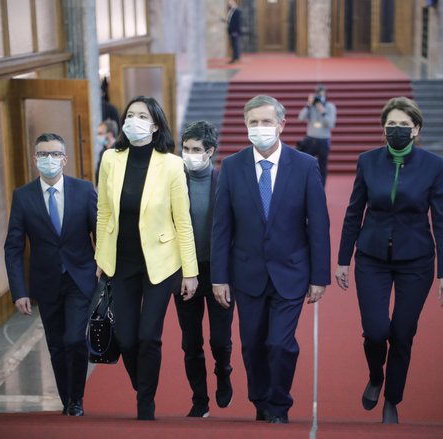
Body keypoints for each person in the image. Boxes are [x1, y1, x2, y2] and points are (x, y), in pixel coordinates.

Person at [335, 96, 443, 424]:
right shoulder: (368, 161)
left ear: (416, 129)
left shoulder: (433, 166)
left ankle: (392, 398)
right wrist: (343, 259)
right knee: (375, 331)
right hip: (372, 256)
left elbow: (442, 221)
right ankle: (376, 376)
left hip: (416, 259)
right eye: (392, 125)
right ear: (383, 129)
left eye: (404, 125)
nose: (397, 130)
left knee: (402, 333)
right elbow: (353, 212)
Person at [211, 95, 331, 424]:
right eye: (253, 122)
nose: (260, 128)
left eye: (266, 122)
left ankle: (280, 404)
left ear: (281, 124)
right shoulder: (232, 167)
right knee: (251, 346)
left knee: (280, 344)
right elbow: (222, 227)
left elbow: (318, 224)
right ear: (245, 125)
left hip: (290, 272)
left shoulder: (304, 165)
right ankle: (260, 401)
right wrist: (219, 276)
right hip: (247, 273)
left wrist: (319, 276)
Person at [95, 95, 199, 421]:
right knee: (126, 338)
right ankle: (142, 386)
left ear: (155, 125)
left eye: (142, 115)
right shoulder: (111, 159)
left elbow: (183, 220)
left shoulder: (171, 164)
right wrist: (100, 255)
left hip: (161, 263)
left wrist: (190, 271)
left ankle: (145, 404)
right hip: (120, 262)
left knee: (148, 336)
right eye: (130, 114)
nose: (134, 119)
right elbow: (103, 212)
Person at [4, 133, 98, 417]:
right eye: (43, 155)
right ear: (35, 160)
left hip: (79, 278)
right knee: (56, 345)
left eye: (54, 154)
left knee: (74, 339)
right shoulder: (23, 196)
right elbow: (13, 246)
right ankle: (67, 400)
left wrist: (102, 264)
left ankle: (78, 399)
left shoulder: (84, 190)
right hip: (46, 282)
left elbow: (101, 231)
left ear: (64, 159)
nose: (49, 159)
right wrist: (19, 290)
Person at [175, 121, 234, 418]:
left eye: (195, 149)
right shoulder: (174, 181)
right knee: (191, 342)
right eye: (185, 148)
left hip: (219, 273)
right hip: (185, 272)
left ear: (210, 151)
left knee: (220, 340)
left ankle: (224, 371)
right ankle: (200, 400)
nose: (189, 154)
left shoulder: (225, 181)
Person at [297, 85, 337, 187]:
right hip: (310, 140)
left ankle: (321, 190)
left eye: (322, 95)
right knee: (306, 166)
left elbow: (330, 124)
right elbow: (301, 118)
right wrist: (308, 105)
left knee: (322, 168)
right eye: (318, 95)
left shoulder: (330, 107)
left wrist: (323, 112)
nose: (320, 97)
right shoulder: (311, 107)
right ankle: (305, 188)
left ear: (326, 96)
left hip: (323, 141)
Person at [95, 119, 119, 185]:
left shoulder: (119, 150)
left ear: (110, 134)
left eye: (100, 133)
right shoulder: (102, 152)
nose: (98, 137)